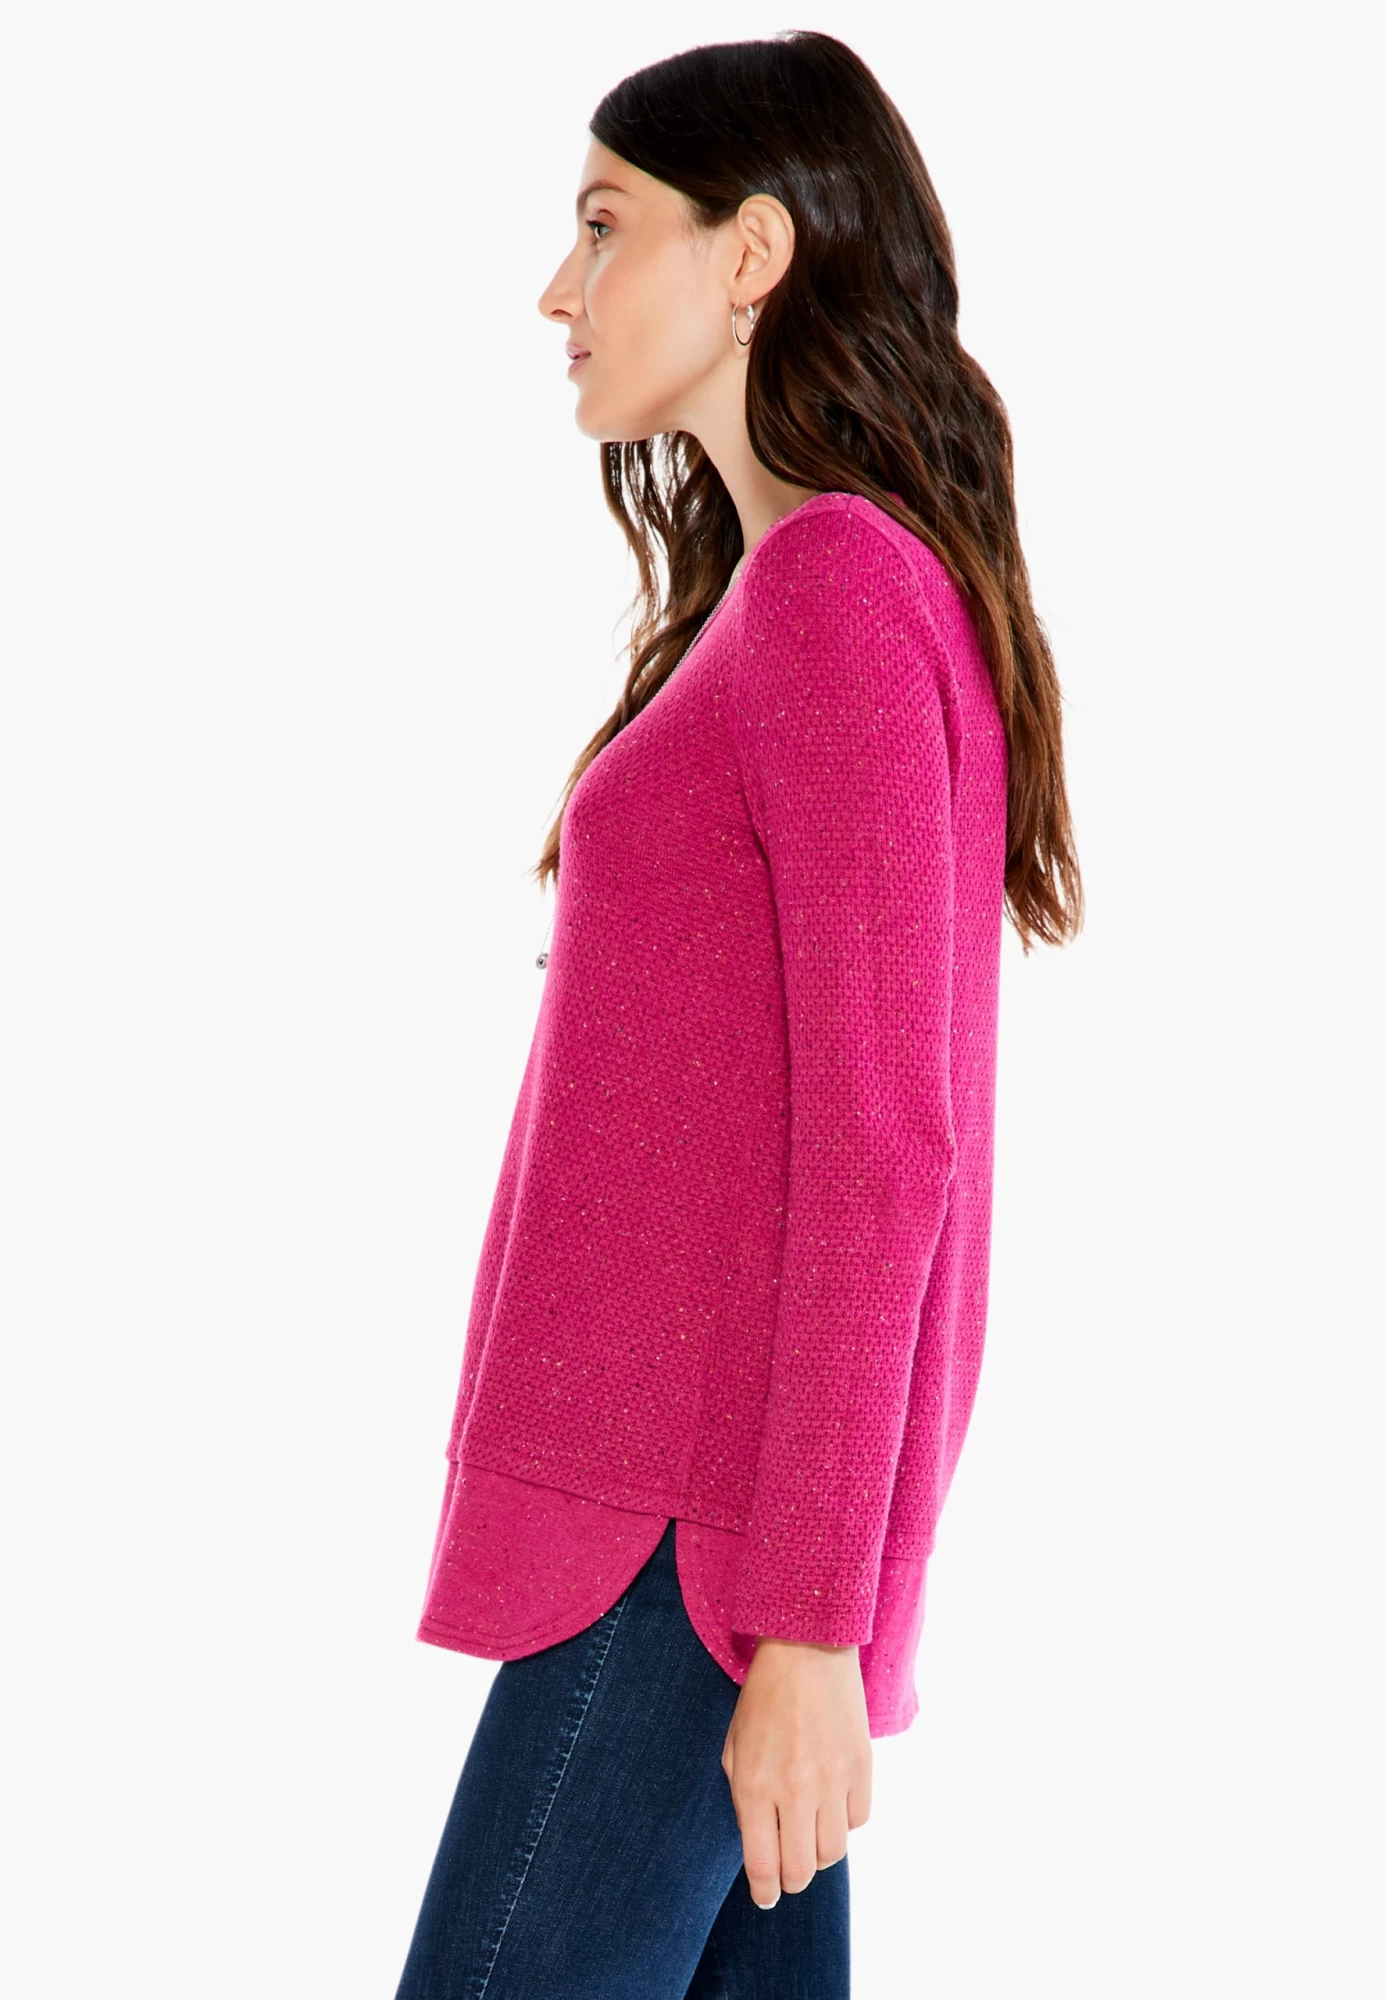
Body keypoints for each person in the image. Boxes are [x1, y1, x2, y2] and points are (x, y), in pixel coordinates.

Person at [393, 29, 1082, 2000]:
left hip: (686, 1558)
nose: (559, 287)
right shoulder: (808, 592)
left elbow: (887, 1145)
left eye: (607, 225)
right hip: (719, 1558)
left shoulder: (836, 592)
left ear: (754, 253)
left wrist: (805, 1623)